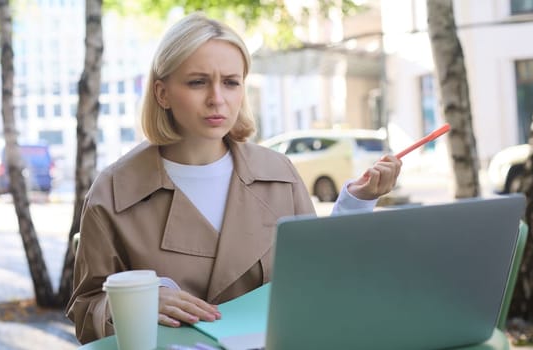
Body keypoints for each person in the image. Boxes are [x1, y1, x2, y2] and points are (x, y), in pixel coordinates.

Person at [66, 12, 402, 344]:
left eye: (230, 82)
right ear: (162, 93)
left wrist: (356, 203)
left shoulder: (278, 174)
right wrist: (133, 305)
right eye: (197, 82)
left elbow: (316, 278)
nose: (217, 99)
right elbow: (85, 312)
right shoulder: (113, 190)